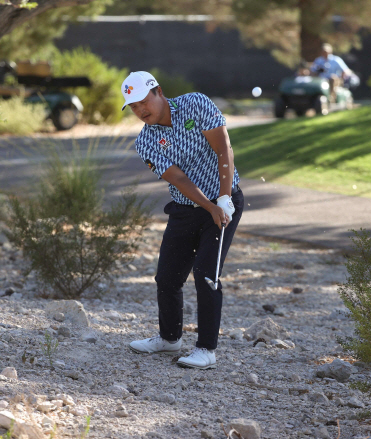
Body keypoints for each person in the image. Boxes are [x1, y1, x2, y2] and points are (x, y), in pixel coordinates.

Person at [121, 71, 244, 370]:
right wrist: (207, 205)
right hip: (186, 207)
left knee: (205, 274)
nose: (140, 111)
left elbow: (222, 148)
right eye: (133, 107)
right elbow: (177, 177)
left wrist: (223, 199)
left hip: (225, 201)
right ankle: (169, 338)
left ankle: (206, 349)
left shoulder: (195, 104)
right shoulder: (145, 142)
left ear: (158, 92)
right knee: (167, 278)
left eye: (142, 102)